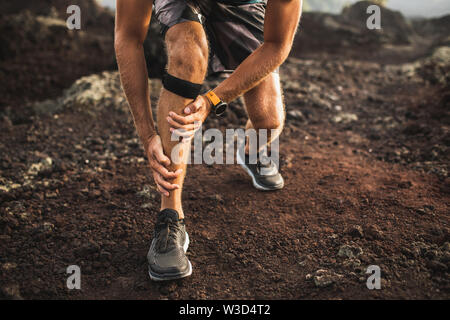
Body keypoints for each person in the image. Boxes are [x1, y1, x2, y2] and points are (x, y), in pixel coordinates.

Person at [115, 0, 302, 280]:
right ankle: (170, 216)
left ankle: (252, 151)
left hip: (242, 6)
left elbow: (277, 44)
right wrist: (147, 134)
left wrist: (213, 99)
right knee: (188, 53)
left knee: (268, 121)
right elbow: (128, 36)